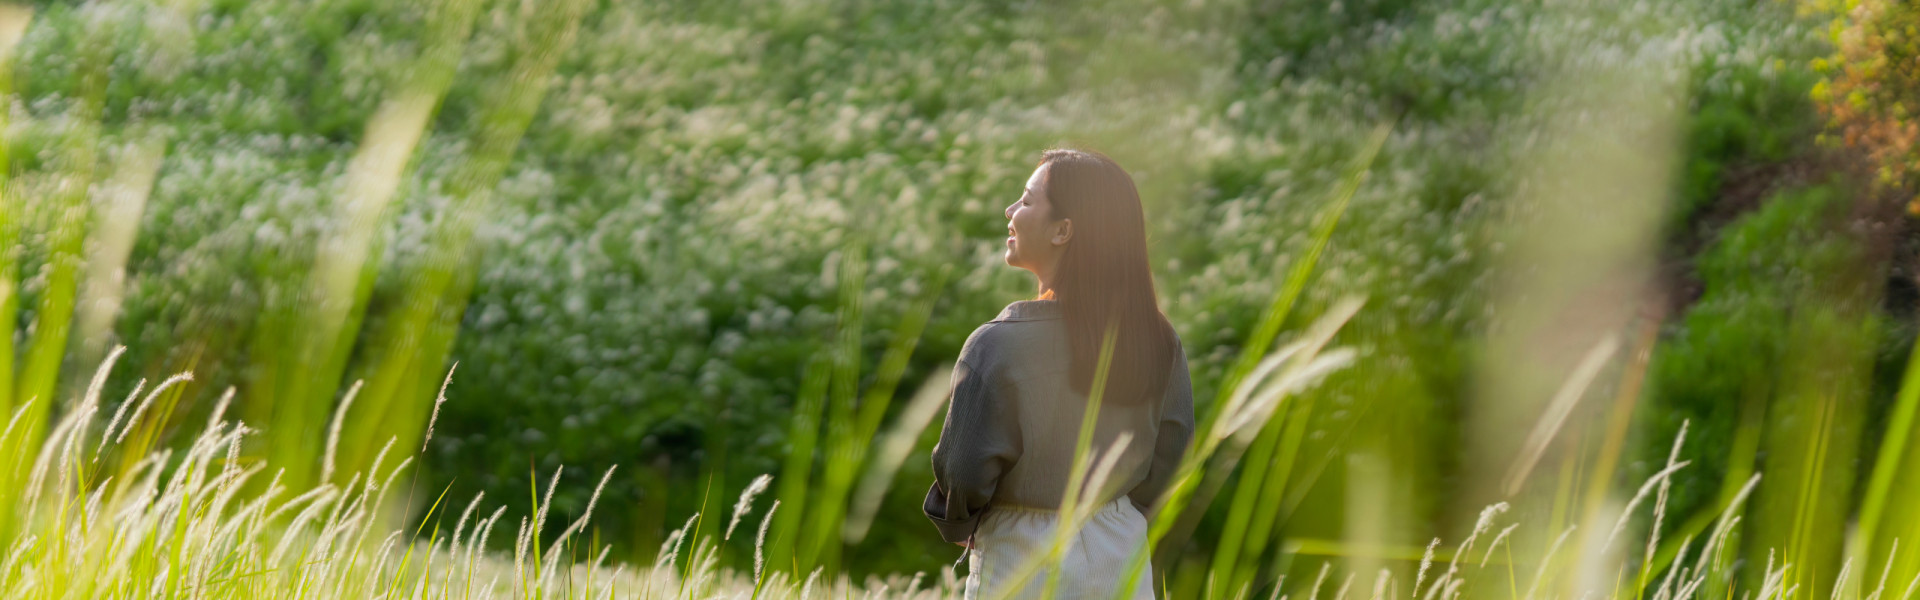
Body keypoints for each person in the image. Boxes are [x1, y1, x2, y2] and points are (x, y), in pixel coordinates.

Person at [924, 148, 1195, 600]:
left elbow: (965, 470)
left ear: (1063, 230)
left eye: (1027, 200)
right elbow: (1173, 448)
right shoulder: (1156, 338)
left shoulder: (996, 344)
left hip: (1021, 558)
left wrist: (956, 522)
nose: (1010, 211)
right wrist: (1121, 516)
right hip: (1120, 548)